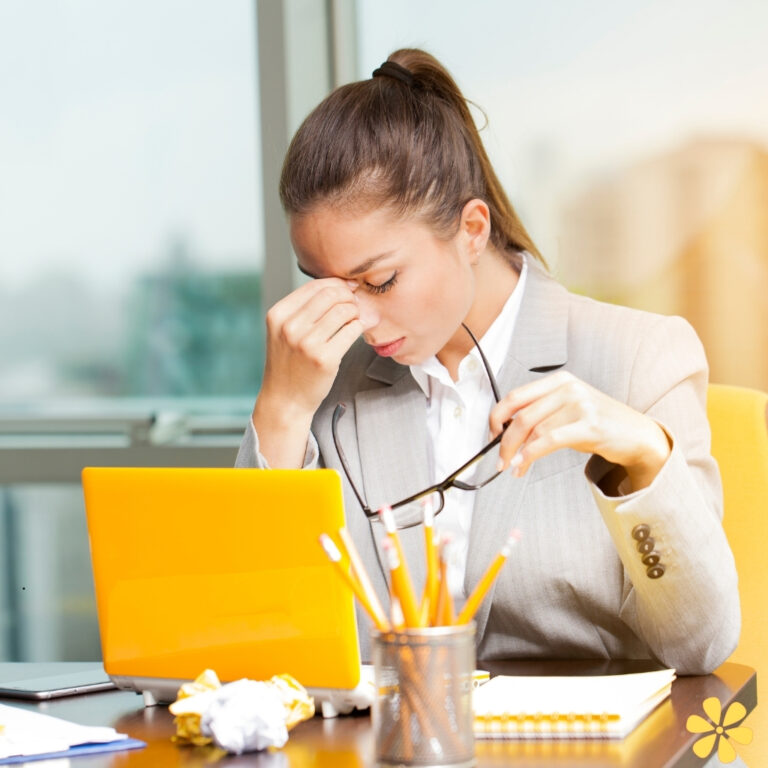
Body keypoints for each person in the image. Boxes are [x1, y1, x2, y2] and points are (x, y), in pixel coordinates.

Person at [236, 49, 739, 674]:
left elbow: (700, 645)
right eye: (327, 286)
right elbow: (252, 642)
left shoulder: (638, 355)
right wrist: (281, 411)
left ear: (472, 230)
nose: (355, 321)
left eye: (381, 280)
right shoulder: (319, 382)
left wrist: (643, 456)